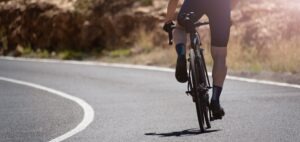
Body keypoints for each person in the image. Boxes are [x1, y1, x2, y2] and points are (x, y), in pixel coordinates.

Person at [163, 0, 239, 119]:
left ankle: (181, 53)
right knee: (220, 55)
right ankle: (215, 100)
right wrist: (226, 11)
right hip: (221, 6)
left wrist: (168, 20)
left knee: (179, 28)